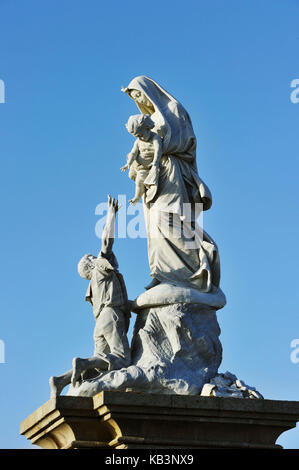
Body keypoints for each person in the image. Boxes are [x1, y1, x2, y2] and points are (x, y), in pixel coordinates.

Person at [122, 76, 221, 292]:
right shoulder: (148, 120)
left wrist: (158, 149)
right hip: (153, 179)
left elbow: (187, 141)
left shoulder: (172, 109)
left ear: (147, 90)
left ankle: (190, 271)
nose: (138, 99)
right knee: (153, 224)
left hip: (171, 172)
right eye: (134, 97)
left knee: (170, 218)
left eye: (138, 93)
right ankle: (162, 273)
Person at [49, 196, 131, 397]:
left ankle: (60, 381)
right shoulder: (101, 269)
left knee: (99, 365)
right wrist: (111, 215)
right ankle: (82, 363)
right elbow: (106, 241)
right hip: (111, 317)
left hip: (100, 323)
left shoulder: (93, 286)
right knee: (122, 360)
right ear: (91, 262)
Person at [121, 114, 162, 205]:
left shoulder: (155, 138)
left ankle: (137, 197)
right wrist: (128, 163)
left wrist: (155, 163)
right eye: (137, 136)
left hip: (146, 168)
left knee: (139, 181)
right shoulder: (138, 141)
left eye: (141, 135)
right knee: (135, 177)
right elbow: (133, 153)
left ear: (147, 128)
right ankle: (137, 195)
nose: (139, 137)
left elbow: (158, 151)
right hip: (138, 165)